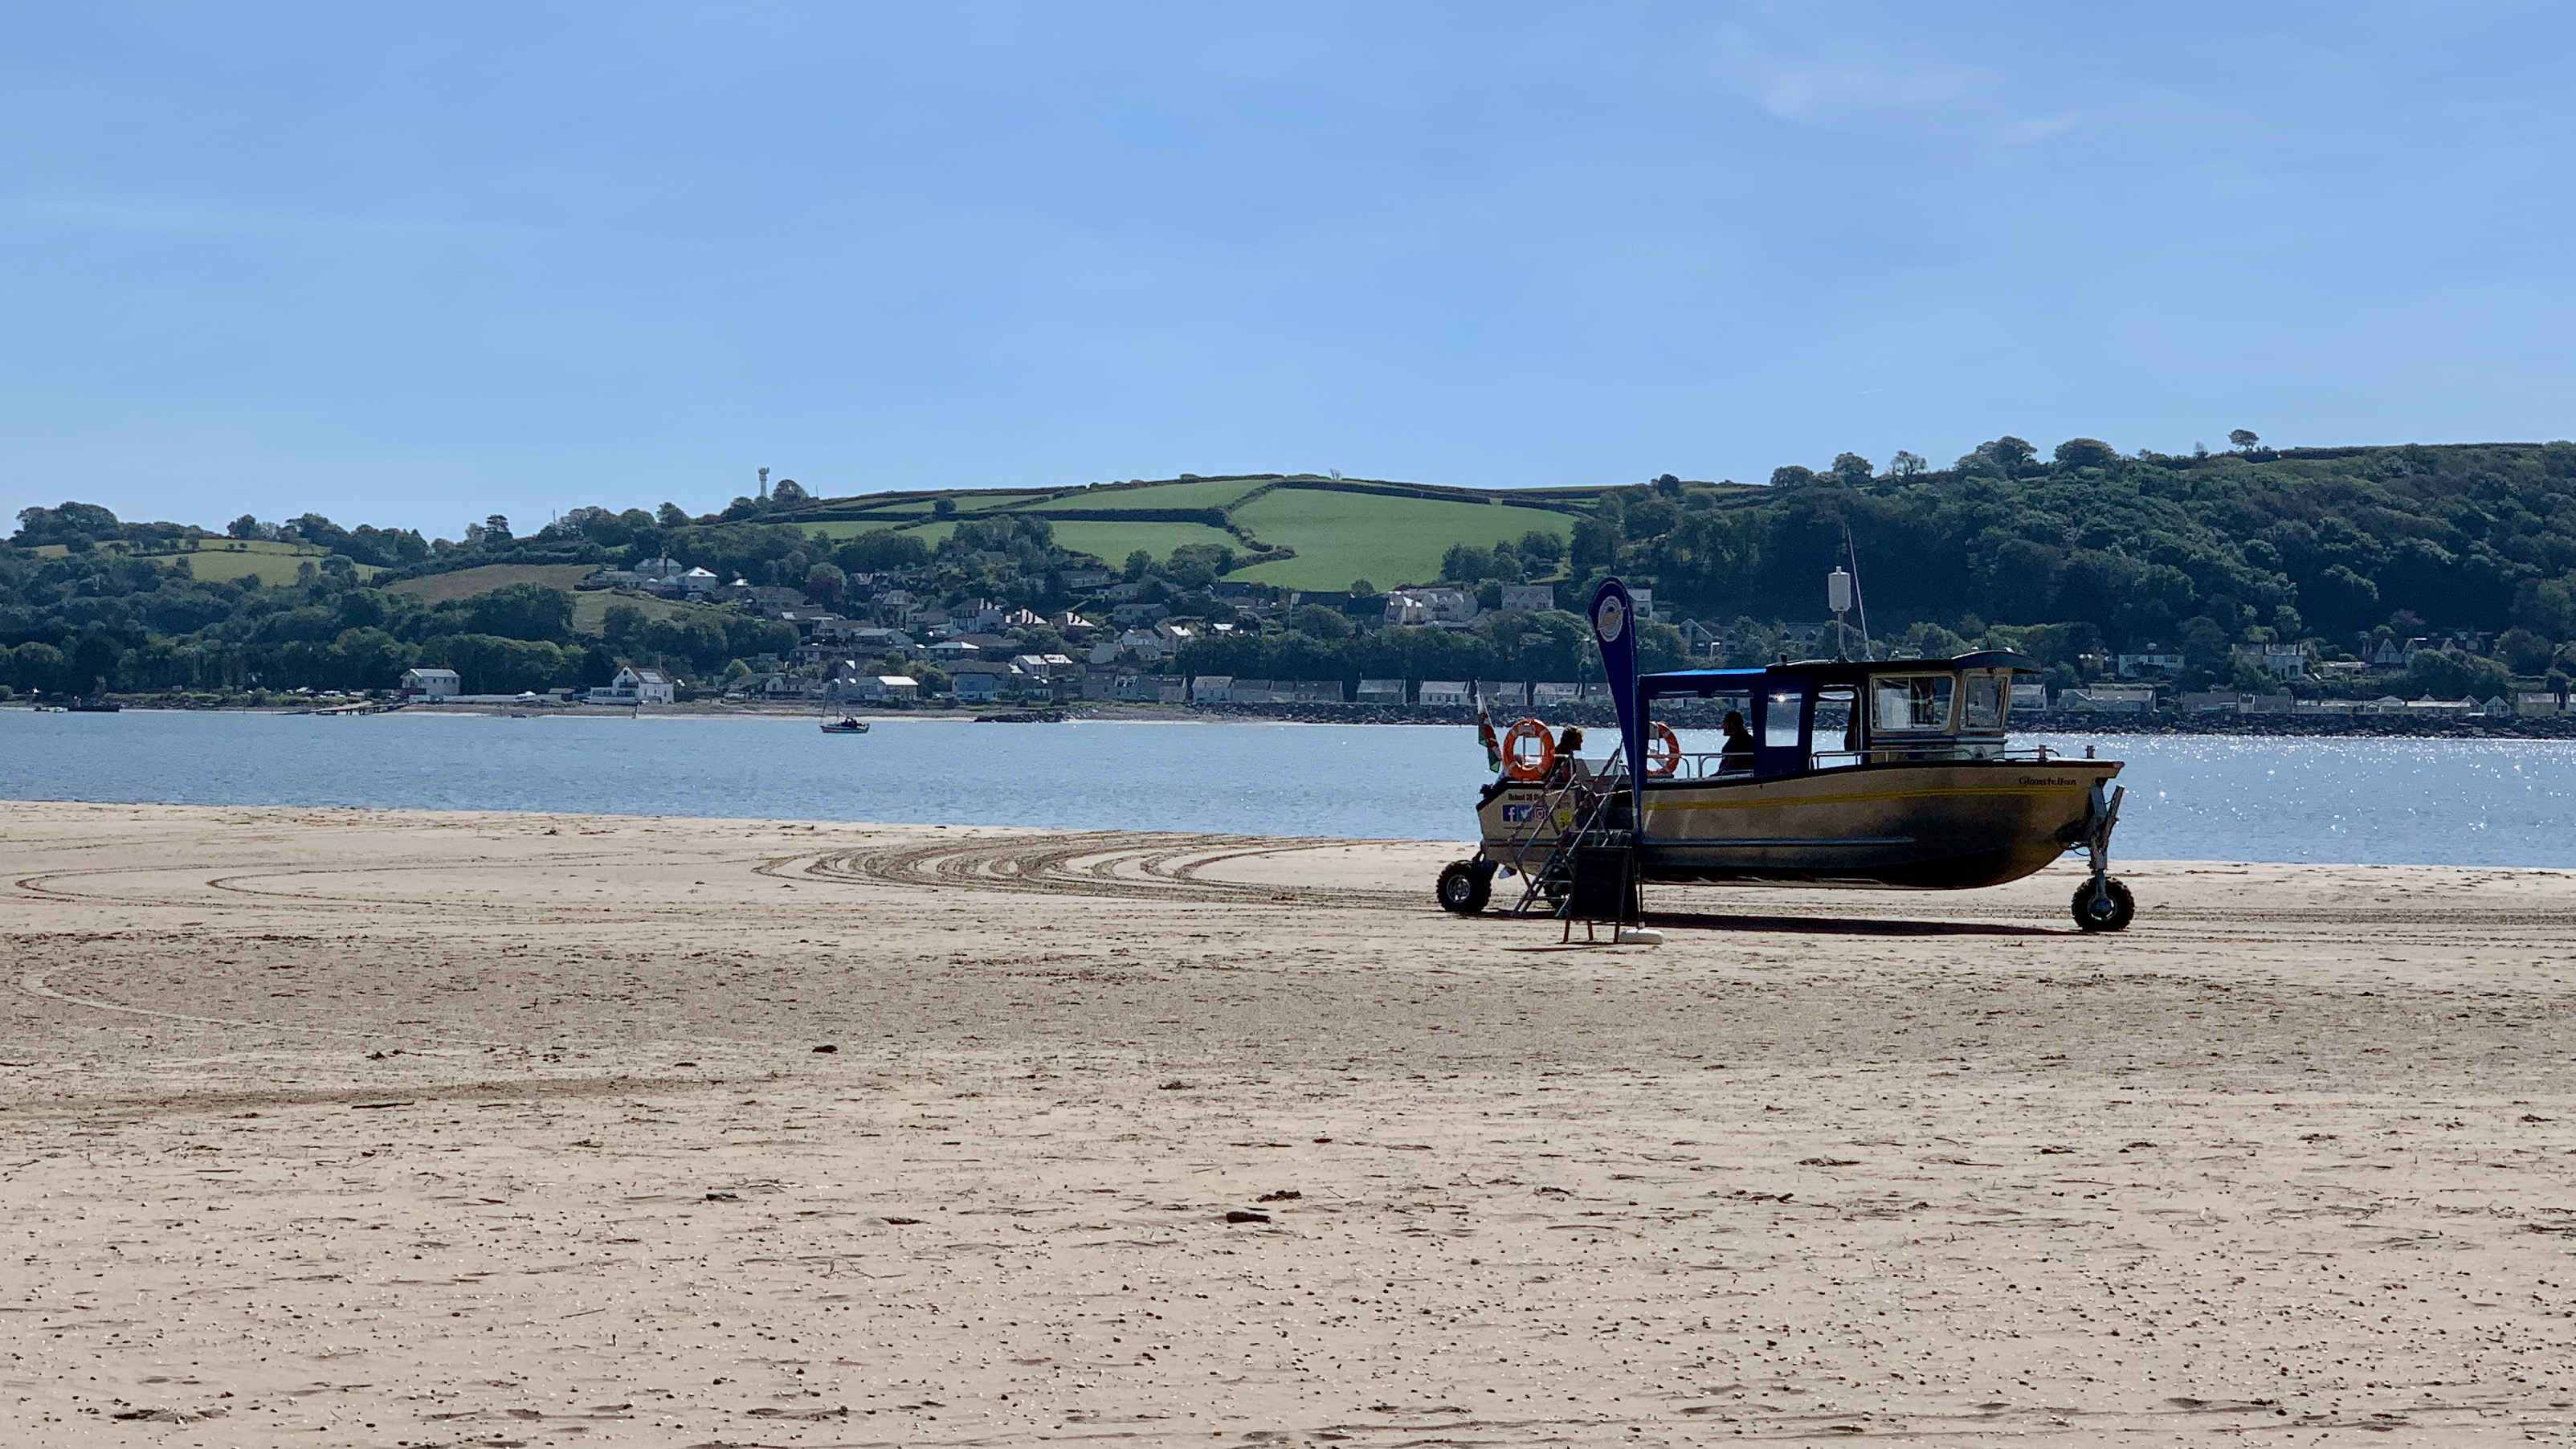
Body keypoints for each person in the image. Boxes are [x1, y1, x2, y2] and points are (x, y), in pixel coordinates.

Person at [1719, 709, 1755, 773]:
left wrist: (1718, 774)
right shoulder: (1743, 738)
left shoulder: (1738, 741)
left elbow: (1732, 762)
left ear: (1732, 724)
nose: (1723, 726)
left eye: (1725, 723)